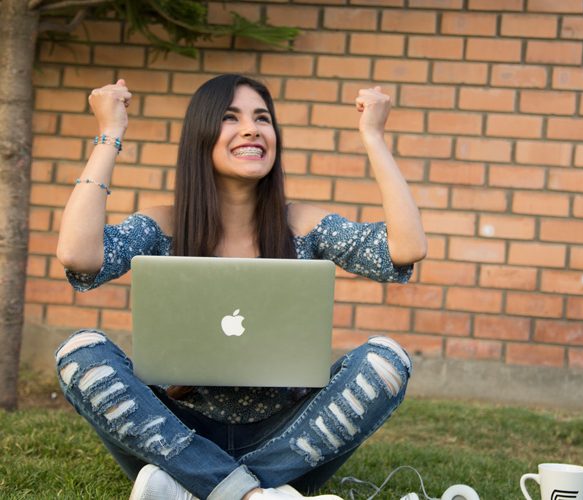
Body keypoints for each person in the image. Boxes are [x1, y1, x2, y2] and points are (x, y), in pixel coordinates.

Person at [55, 74, 427, 500]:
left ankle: (198, 488)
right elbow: (78, 255)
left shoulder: (304, 224)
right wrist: (110, 132)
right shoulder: (163, 225)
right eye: (231, 117)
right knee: (80, 352)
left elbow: (406, 249)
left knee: (387, 359)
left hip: (287, 442)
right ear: (201, 136)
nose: (251, 129)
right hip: (177, 438)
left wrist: (373, 137)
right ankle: (254, 495)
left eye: (262, 118)